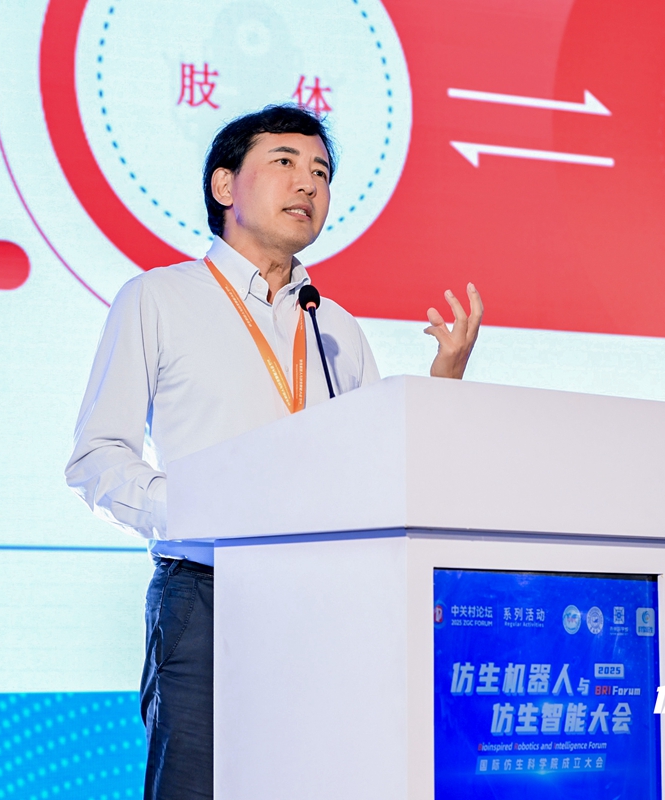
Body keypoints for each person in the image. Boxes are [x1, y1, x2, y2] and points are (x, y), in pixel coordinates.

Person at [64, 104, 483, 800]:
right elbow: (97, 457)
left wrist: (443, 385)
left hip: (324, 601)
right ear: (225, 185)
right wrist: (196, 508)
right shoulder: (158, 298)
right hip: (207, 593)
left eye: (321, 171)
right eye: (284, 162)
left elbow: (381, 470)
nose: (308, 183)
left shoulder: (335, 325)